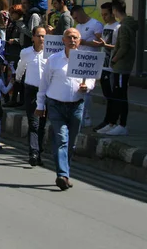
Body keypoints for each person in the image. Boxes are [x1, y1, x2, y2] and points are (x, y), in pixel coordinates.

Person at [35, 28, 95, 190]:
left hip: (76, 106)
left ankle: (66, 172)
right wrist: (40, 105)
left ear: (80, 40)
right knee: (62, 139)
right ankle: (62, 174)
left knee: (71, 143)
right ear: (63, 40)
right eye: (69, 37)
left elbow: (91, 80)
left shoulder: (86, 59)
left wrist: (86, 86)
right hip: (56, 105)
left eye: (75, 38)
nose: (72, 40)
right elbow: (44, 84)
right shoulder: (54, 60)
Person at [102, 0, 138, 136]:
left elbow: (124, 47)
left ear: (115, 10)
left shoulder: (123, 26)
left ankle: (122, 124)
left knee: (120, 96)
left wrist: (114, 59)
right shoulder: (127, 25)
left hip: (122, 67)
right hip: (122, 66)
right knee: (118, 95)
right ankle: (114, 123)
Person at [15, 26, 47, 166]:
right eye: (39, 36)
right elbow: (21, 67)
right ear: (33, 37)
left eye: (44, 36)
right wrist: (17, 78)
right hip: (31, 91)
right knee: (33, 123)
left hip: (46, 92)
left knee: (42, 125)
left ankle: (39, 153)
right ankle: (33, 152)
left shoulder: (51, 54)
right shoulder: (26, 52)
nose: (41, 39)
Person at [71, 5, 103, 127]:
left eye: (76, 17)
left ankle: (87, 115)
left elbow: (101, 43)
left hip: (91, 61)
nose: (76, 20)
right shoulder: (78, 27)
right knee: (79, 88)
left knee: (88, 90)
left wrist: (85, 42)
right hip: (79, 60)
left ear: (80, 13)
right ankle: (80, 114)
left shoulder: (96, 24)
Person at [93, 2, 120, 133]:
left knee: (112, 97)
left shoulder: (118, 27)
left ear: (112, 13)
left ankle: (111, 121)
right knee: (106, 95)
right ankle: (107, 120)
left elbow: (119, 47)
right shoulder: (105, 26)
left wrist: (105, 45)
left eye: (106, 14)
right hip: (104, 65)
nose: (104, 17)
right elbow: (103, 45)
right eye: (102, 14)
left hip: (113, 66)